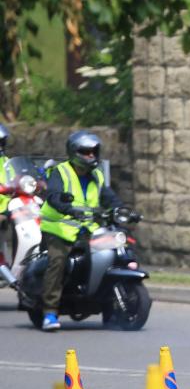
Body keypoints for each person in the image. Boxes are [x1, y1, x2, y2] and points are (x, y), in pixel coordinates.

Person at [39, 131, 124, 332]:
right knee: (58, 261)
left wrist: (121, 210)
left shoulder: (97, 176)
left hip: (87, 229)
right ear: (74, 152)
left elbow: (109, 198)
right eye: (86, 152)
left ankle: (107, 305)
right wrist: (66, 207)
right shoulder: (61, 172)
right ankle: (50, 312)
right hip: (59, 228)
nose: (91, 156)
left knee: (109, 253)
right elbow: (54, 195)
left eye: (94, 151)